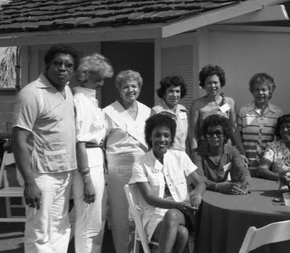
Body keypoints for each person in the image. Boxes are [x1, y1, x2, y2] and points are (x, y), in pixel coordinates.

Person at [12, 44, 79, 253]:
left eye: (68, 66)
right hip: (40, 175)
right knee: (39, 230)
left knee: (60, 227)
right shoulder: (31, 94)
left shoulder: (67, 90)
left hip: (64, 172)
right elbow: (19, 140)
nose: (63, 69)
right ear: (47, 65)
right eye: (57, 64)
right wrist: (29, 182)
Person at [130, 113, 205, 253]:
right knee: (182, 233)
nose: (162, 139)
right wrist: (177, 205)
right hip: (155, 217)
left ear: (171, 138)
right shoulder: (140, 164)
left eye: (166, 135)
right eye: (157, 135)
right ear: (150, 137)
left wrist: (196, 194)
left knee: (173, 215)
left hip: (183, 214)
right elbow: (149, 198)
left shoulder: (180, 157)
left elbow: (200, 183)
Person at [103, 70, 152, 253]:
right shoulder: (108, 112)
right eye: (126, 86)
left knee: (143, 212)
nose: (130, 90)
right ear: (119, 89)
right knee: (121, 216)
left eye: (134, 86)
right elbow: (101, 143)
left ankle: (141, 249)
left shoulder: (148, 111)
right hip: (118, 172)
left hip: (142, 170)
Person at [72, 53, 113, 253]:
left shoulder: (91, 101)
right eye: (98, 77)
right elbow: (79, 142)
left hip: (98, 160)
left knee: (97, 221)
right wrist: (86, 178)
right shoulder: (80, 100)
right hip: (88, 162)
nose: (102, 82)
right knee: (87, 220)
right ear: (86, 75)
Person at [190, 64, 245, 154]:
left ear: (221, 83)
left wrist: (241, 151)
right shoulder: (197, 104)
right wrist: (194, 155)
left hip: (226, 149)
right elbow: (193, 134)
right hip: (205, 150)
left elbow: (234, 130)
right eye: (209, 83)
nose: (212, 86)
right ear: (203, 84)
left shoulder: (230, 102)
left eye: (215, 82)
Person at [192, 114, 252, 194]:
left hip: (222, 193)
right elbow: (199, 179)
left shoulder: (232, 151)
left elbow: (243, 171)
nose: (214, 136)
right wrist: (218, 186)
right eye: (210, 133)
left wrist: (246, 184)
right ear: (206, 136)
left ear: (225, 135)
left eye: (218, 133)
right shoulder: (197, 153)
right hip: (202, 193)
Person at [237, 73, 283, 168]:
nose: (260, 93)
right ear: (252, 91)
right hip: (246, 162)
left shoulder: (277, 113)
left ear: (270, 91)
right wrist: (241, 155)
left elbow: (279, 140)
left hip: (268, 164)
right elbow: (237, 137)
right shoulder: (243, 111)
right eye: (257, 90)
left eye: (264, 90)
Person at [151, 75, 189, 154]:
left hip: (182, 157)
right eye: (171, 91)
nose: (175, 95)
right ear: (164, 93)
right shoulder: (157, 111)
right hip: (164, 156)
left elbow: (185, 138)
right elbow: (152, 139)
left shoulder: (183, 110)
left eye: (177, 91)